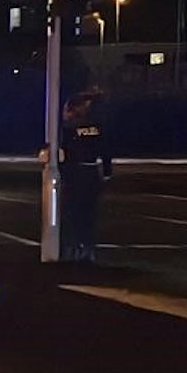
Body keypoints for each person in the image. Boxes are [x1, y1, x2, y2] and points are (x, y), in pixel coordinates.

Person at [58, 93, 113, 262]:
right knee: (88, 214)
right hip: (91, 173)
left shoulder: (68, 129)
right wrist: (106, 172)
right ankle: (87, 249)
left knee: (71, 213)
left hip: (75, 173)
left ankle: (71, 248)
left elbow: (63, 153)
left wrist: (62, 172)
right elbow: (105, 150)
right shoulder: (96, 127)